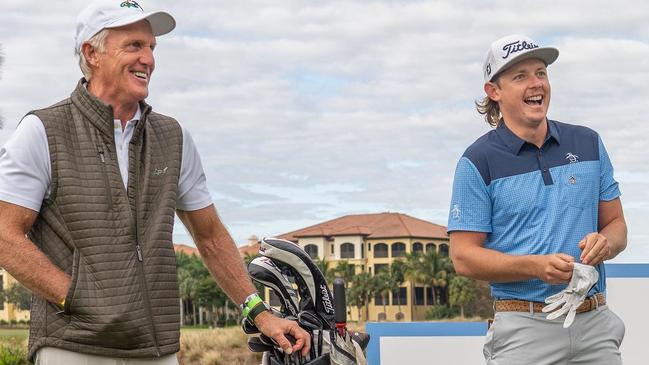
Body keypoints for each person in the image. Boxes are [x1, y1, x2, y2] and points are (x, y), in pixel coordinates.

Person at [0, 1, 310, 363]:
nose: (148, 59)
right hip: (73, 346)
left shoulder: (173, 137)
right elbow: (5, 235)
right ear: (92, 53)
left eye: (151, 48)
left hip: (156, 349)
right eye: (134, 45)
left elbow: (209, 237)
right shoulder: (42, 131)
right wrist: (75, 297)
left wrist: (259, 311)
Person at [448, 34, 627, 364]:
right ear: (494, 91)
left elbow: (616, 227)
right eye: (520, 76)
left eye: (540, 73)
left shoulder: (587, 142)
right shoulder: (477, 161)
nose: (536, 84)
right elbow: (463, 257)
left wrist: (605, 243)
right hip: (524, 328)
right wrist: (535, 266)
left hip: (595, 323)